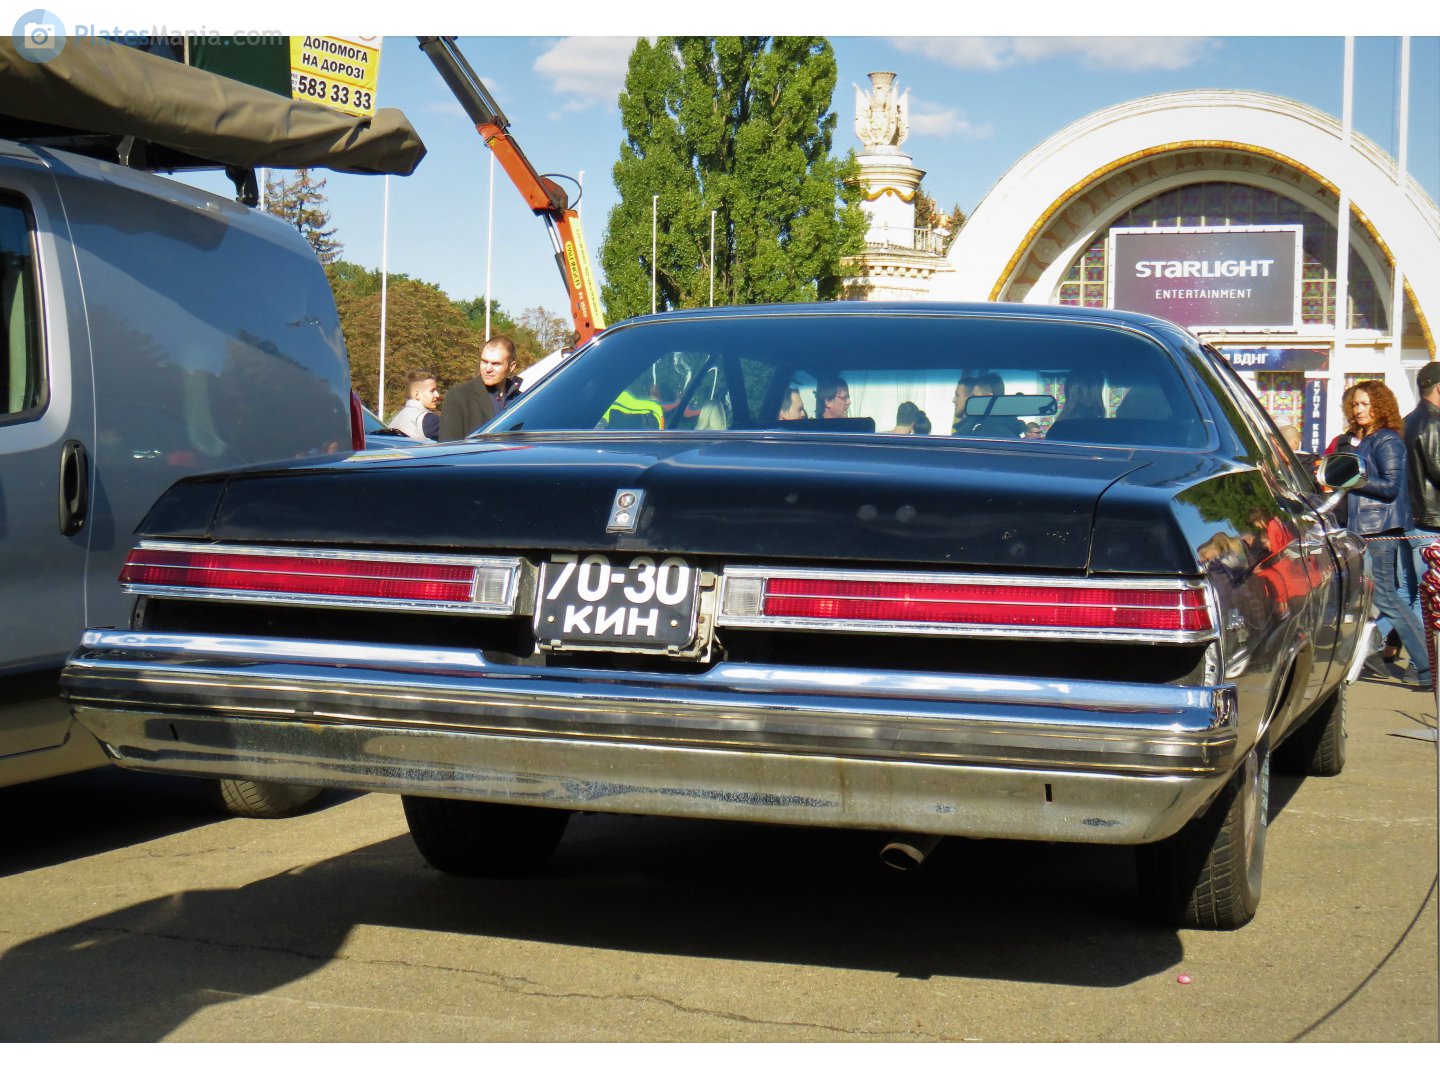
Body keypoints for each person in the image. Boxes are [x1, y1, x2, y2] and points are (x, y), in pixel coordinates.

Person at [1339, 380, 1431, 689]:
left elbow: (1391, 486)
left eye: (1365, 403)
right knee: (1379, 596)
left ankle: (1426, 666)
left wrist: (1353, 479)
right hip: (1366, 528)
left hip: (1380, 529)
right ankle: (1414, 662)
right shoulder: (1365, 440)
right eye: (1355, 404)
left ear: (1380, 406)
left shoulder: (1387, 440)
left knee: (1386, 597)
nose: (1358, 409)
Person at [439, 335, 519, 440]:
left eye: (496, 364)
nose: (488, 369)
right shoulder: (458, 397)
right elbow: (448, 446)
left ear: (511, 366)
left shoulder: (522, 400)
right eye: (484, 362)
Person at [388, 370, 441, 441]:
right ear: (417, 395)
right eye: (432, 391)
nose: (437, 395)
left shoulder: (399, 417)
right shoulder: (429, 420)